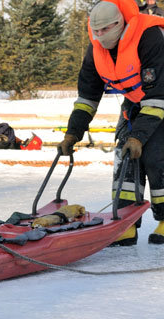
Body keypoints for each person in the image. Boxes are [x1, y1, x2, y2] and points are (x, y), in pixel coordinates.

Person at [58, 0, 164, 246]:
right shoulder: (95, 49)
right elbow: (87, 97)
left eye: (106, 30)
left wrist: (140, 136)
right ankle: (125, 222)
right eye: (97, 31)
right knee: (125, 156)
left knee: (156, 157)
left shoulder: (149, 37)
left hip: (161, 96)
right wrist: (73, 133)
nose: (101, 36)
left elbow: (158, 94)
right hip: (136, 102)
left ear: (119, 24)